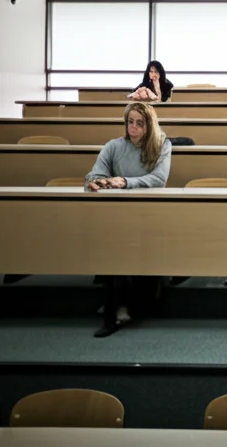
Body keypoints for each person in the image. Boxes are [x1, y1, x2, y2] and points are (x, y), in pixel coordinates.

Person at [85, 102, 173, 323]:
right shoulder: (114, 146)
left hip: (150, 211)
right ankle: (118, 302)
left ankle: (136, 302)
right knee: (114, 239)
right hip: (117, 211)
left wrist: (125, 181)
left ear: (149, 125)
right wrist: (97, 182)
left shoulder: (162, 145)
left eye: (140, 123)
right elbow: (95, 174)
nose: (133, 127)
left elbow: (158, 179)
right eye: (130, 122)